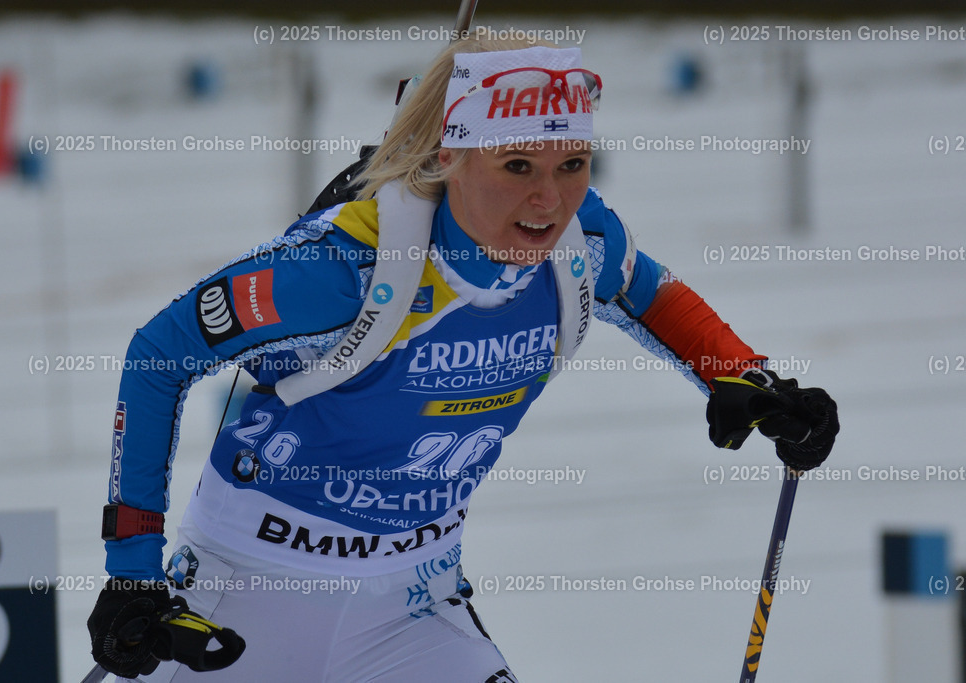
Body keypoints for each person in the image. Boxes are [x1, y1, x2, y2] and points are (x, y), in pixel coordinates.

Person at [87, 36, 838, 682]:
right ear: (449, 157)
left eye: (573, 163)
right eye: (517, 166)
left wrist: (747, 379)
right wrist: (132, 572)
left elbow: (652, 294)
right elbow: (160, 353)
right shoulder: (345, 270)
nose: (549, 200)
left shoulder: (581, 246)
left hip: (409, 609)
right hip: (247, 594)